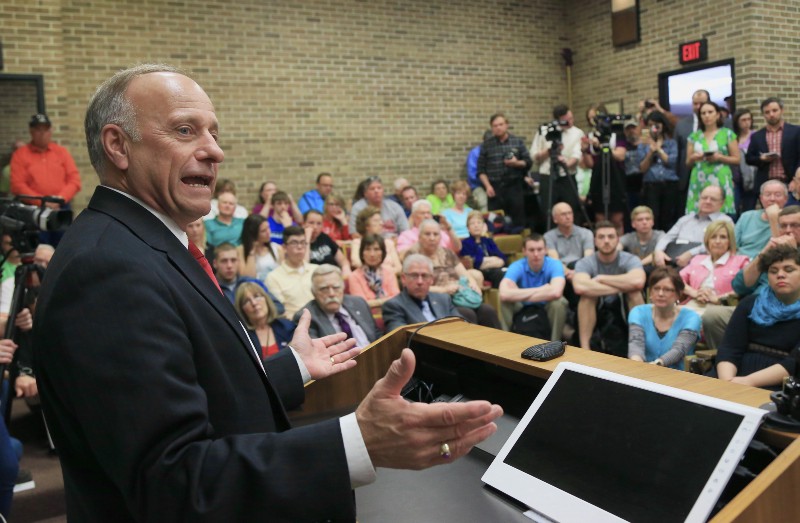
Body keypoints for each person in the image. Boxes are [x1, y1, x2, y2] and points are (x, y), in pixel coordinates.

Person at [33, 64, 502, 521]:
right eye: (185, 131)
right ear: (118, 145)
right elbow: (171, 481)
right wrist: (359, 440)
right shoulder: (106, 269)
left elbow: (189, 383)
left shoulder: (143, 244)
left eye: (214, 134)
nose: (214, 151)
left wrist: (291, 367)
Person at [715, 244, 800, 389]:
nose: (780, 275)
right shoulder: (750, 303)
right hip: (735, 374)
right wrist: (727, 382)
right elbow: (729, 349)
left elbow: (795, 363)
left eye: (789, 269)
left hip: (781, 382)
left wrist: (749, 382)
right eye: (773, 271)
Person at [407, 220, 501, 329]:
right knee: (466, 314)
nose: (432, 238)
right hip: (435, 300)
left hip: (459, 296)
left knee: (487, 310)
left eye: (436, 234)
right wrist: (443, 290)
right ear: (419, 236)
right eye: (427, 234)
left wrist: (472, 283)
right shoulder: (413, 256)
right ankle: (473, 345)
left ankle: (500, 344)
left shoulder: (447, 253)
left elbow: (464, 274)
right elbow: (414, 286)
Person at [573, 221, 646, 353]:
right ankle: (585, 350)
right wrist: (623, 285)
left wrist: (602, 278)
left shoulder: (630, 259)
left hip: (623, 302)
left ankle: (640, 346)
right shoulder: (586, 262)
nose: (606, 241)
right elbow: (580, 286)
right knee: (587, 297)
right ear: (595, 241)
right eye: (601, 237)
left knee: (635, 293)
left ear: (618, 240)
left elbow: (638, 281)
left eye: (611, 237)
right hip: (597, 304)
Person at [10, 113, 82, 246]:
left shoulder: (61, 152)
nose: (42, 133)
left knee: (64, 247)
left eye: (46, 129)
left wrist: (60, 198)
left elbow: (74, 180)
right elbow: (17, 185)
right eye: (38, 129)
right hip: (34, 210)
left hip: (61, 208)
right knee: (39, 249)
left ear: (51, 131)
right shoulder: (20, 155)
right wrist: (42, 201)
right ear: (31, 131)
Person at [628, 267, 701, 370]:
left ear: (678, 294)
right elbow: (636, 345)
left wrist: (656, 364)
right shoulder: (638, 312)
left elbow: (679, 350)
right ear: (650, 292)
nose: (661, 294)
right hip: (643, 373)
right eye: (656, 288)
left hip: (678, 379)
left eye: (667, 290)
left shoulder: (691, 317)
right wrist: (636, 365)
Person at [499, 234, 568, 341]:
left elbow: (556, 293)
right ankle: (506, 340)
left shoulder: (555, 264)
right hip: (522, 306)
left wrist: (518, 293)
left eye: (539, 249)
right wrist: (542, 289)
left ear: (546, 250)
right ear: (524, 251)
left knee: (559, 302)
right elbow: (503, 294)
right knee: (505, 301)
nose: (536, 254)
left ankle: (555, 343)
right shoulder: (516, 266)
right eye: (531, 250)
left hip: (546, 305)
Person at [294, 264, 380, 347]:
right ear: (314, 293)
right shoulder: (306, 318)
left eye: (336, 287)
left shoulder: (359, 303)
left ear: (343, 288)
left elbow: (377, 335)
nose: (331, 294)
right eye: (324, 289)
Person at [679, 220, 749, 316]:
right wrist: (695, 293)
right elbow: (676, 280)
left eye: (723, 237)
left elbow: (746, 288)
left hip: (722, 308)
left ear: (730, 241)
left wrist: (718, 298)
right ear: (707, 241)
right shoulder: (697, 259)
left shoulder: (741, 261)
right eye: (713, 237)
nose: (717, 241)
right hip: (694, 303)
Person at [654, 185, 733, 268]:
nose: (707, 201)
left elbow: (720, 244)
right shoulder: (685, 219)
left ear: (722, 203)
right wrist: (658, 251)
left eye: (713, 199)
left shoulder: (725, 222)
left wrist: (691, 253)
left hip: (704, 263)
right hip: (673, 260)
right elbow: (667, 237)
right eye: (704, 198)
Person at [478, 113, 533, 228]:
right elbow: (480, 170)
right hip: (494, 188)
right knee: (495, 222)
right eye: (495, 126)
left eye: (501, 124)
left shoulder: (517, 142)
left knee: (518, 221)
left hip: (514, 187)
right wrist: (487, 186)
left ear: (506, 125)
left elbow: (528, 162)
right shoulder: (486, 145)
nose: (498, 128)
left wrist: (516, 163)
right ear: (492, 128)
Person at [382, 254, 464, 332]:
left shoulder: (443, 299)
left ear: (431, 279)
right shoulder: (393, 306)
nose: (420, 282)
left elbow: (462, 326)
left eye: (424, 276)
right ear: (403, 278)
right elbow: (399, 338)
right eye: (414, 275)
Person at [685, 101, 740, 215]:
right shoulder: (694, 136)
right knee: (698, 213)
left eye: (710, 112)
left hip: (720, 175)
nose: (707, 116)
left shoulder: (727, 134)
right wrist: (694, 157)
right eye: (703, 113)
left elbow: (737, 159)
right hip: (699, 177)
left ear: (718, 114)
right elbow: (688, 163)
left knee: (721, 214)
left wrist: (720, 157)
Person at [532, 105, 585, 220]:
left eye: (571, 118)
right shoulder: (544, 130)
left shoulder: (577, 133)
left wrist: (566, 163)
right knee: (548, 212)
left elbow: (577, 155)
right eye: (567, 120)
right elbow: (535, 156)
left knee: (572, 210)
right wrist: (550, 150)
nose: (570, 122)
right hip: (547, 175)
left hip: (567, 176)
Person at [745, 97, 800, 192]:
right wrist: (761, 158)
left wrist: (796, 180)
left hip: (790, 182)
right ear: (763, 115)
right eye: (767, 112)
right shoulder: (757, 136)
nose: (771, 114)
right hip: (766, 183)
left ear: (782, 110)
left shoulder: (795, 131)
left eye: (775, 110)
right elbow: (749, 158)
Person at [637, 111, 680, 231]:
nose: (654, 128)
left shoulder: (671, 143)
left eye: (657, 124)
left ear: (663, 125)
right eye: (651, 124)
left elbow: (671, 162)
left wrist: (659, 150)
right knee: (653, 218)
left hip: (669, 184)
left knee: (669, 218)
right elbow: (642, 168)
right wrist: (650, 152)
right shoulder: (643, 145)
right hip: (651, 185)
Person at [213, 242, 284, 313]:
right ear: (215, 263)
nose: (229, 265)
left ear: (238, 262)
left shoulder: (252, 282)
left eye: (233, 260)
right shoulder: (211, 287)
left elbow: (279, 307)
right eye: (224, 261)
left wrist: (257, 312)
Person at [234, 282, 296, 361]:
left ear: (266, 299)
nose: (254, 303)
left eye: (257, 296)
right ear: (242, 310)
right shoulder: (243, 338)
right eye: (247, 301)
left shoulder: (286, 327)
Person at [266, 226, 318, 319]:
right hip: (295, 324)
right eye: (294, 243)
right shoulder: (273, 277)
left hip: (322, 321)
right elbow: (281, 312)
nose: (300, 247)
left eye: (303, 242)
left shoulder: (316, 270)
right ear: (284, 247)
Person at [674, 89, 711, 210]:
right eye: (695, 103)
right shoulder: (681, 124)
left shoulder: (723, 124)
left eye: (701, 103)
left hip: (711, 172)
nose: (698, 107)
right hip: (687, 174)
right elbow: (677, 152)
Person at [734, 180, 786, 259]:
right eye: (768, 195)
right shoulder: (746, 216)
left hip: (769, 263)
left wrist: (773, 219)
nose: (772, 199)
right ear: (761, 198)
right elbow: (733, 245)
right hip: (741, 261)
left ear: (785, 199)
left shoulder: (789, 219)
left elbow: (781, 251)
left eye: (777, 195)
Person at [544, 202, 594, 282]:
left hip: (582, 271)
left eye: (570, 213)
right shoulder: (548, 237)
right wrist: (568, 273)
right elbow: (555, 261)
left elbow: (588, 258)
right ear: (555, 219)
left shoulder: (586, 233)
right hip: (560, 273)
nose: (568, 217)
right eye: (563, 214)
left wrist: (577, 273)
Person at [348, 233, 401, 309]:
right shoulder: (354, 276)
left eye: (376, 249)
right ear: (362, 253)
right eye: (367, 249)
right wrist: (385, 300)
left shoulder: (389, 272)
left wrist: (374, 302)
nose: (372, 254)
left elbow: (397, 298)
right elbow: (361, 304)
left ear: (383, 253)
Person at [459, 210, 507, 288]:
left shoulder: (488, 241)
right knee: (499, 274)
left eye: (479, 223)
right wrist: (494, 260)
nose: (476, 226)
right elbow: (475, 262)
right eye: (472, 223)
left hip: (493, 270)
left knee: (509, 272)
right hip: (479, 272)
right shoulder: (465, 243)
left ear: (483, 225)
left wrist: (486, 261)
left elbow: (502, 258)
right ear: (468, 228)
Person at [349, 206, 402, 274]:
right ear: (366, 225)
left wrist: (383, 273)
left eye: (381, 220)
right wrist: (375, 271)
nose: (381, 223)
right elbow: (356, 262)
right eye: (376, 221)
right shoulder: (357, 242)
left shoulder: (388, 243)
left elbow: (399, 268)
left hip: (388, 278)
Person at [304, 210, 351, 277]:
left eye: (319, 223)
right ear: (304, 224)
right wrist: (307, 240)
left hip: (333, 275)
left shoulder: (325, 237)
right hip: (314, 278)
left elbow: (343, 260)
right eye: (311, 223)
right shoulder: (299, 241)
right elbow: (304, 265)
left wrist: (346, 269)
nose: (315, 227)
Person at [237, 213, 282, 281]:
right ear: (253, 234)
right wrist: (251, 252)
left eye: (268, 227)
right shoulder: (240, 250)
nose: (268, 232)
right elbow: (248, 279)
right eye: (263, 231)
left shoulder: (277, 248)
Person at [733, 108, 759, 213]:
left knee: (748, 208)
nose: (747, 123)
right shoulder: (733, 137)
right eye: (743, 120)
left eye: (749, 119)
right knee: (735, 206)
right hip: (736, 177)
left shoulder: (756, 136)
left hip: (751, 177)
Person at [466, 130, 493, 212]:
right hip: (478, 185)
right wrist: (486, 182)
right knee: (483, 202)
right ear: (484, 141)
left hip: (494, 184)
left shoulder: (496, 151)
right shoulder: (475, 153)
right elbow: (472, 174)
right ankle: (483, 222)